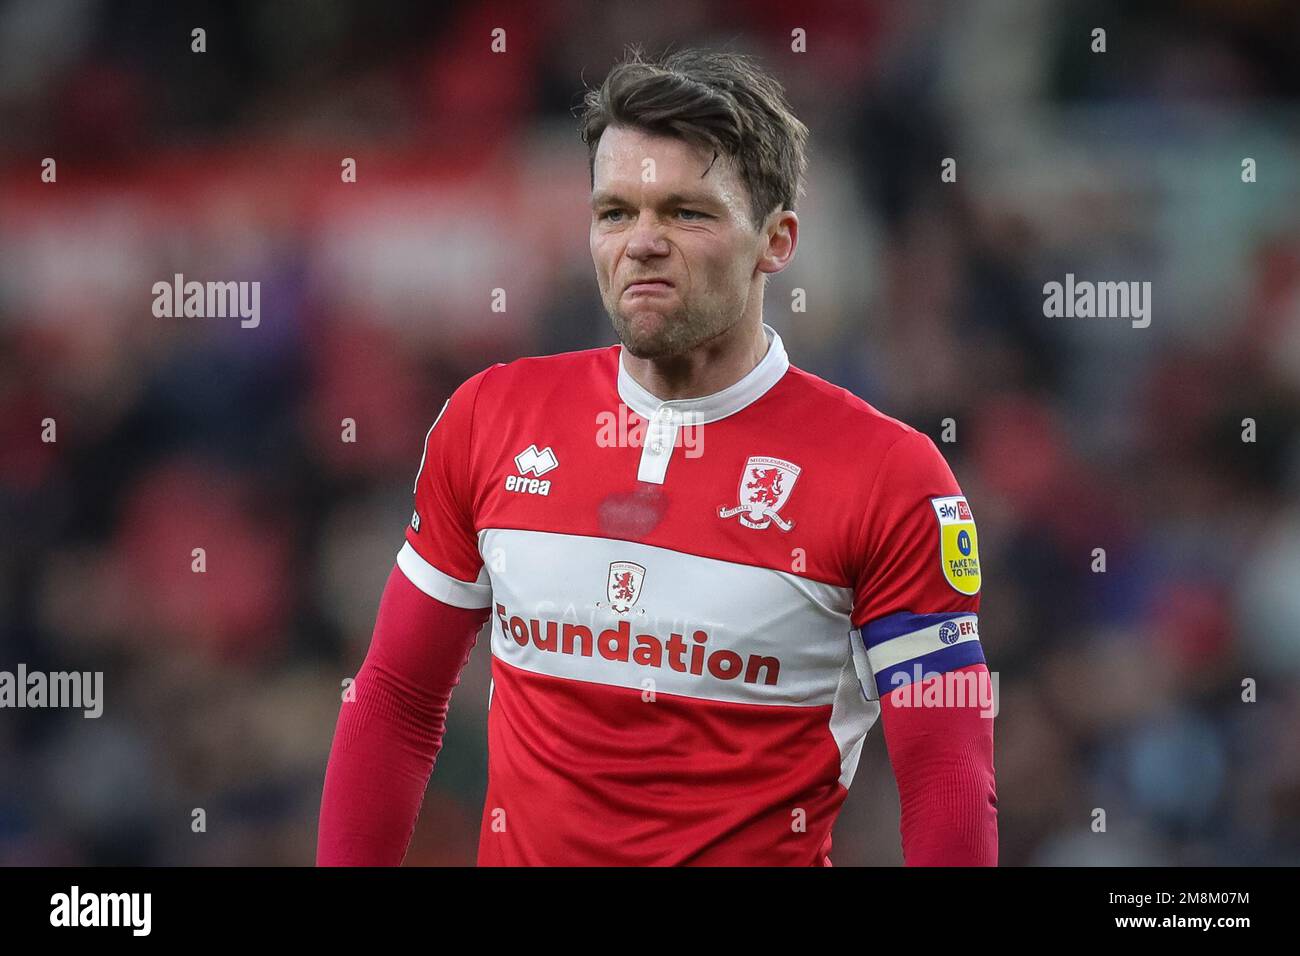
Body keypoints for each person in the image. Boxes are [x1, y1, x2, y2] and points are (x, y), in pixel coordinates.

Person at [317, 46, 996, 866]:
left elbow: (946, 777)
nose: (642, 243)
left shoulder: (890, 477)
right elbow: (394, 700)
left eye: (686, 213)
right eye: (615, 212)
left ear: (776, 240)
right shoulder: (490, 418)